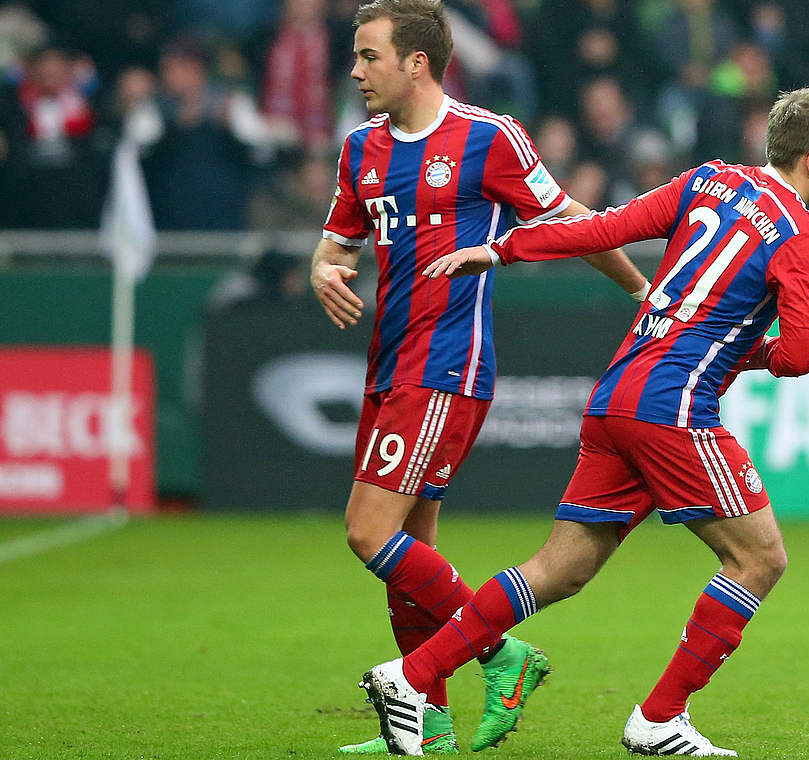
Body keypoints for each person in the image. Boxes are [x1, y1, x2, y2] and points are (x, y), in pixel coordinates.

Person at [359, 85, 809, 756]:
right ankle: (659, 718)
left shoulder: (709, 179)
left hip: (616, 393)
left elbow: (602, 228)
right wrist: (756, 351)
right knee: (759, 557)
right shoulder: (802, 236)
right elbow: (799, 357)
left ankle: (412, 674)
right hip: (673, 407)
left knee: (559, 569)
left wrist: (501, 250)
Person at [308, 0, 648, 754]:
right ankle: (427, 722)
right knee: (408, 556)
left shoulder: (486, 138)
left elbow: (570, 222)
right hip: (387, 366)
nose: (357, 71)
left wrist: (637, 290)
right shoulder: (360, 147)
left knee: (368, 533)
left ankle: (502, 655)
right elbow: (335, 245)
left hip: (445, 367)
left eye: (369, 56)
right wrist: (323, 271)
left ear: (417, 62)